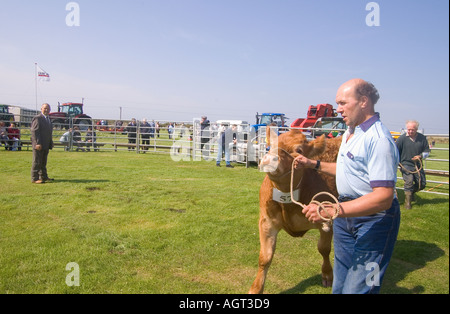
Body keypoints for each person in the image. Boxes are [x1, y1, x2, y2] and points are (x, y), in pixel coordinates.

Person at [293, 79, 400, 294]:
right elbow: (347, 168)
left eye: (343, 103)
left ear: (363, 101)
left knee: (360, 288)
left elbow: (383, 198)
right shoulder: (351, 132)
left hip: (374, 221)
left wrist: (332, 210)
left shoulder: (378, 140)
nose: (338, 109)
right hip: (345, 218)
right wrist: (313, 164)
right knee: (339, 284)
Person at [396, 120, 430, 209]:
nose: (410, 131)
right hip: (405, 164)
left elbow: (427, 151)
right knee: (409, 182)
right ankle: (408, 203)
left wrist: (420, 156)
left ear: (416, 129)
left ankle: (411, 194)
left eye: (412, 130)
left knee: (422, 184)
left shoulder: (422, 138)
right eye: (409, 129)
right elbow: (395, 151)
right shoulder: (402, 139)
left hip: (417, 164)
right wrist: (396, 162)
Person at [31, 103, 54, 184]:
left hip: (46, 144)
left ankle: (43, 176)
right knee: (37, 161)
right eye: (45, 108)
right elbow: (35, 132)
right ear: (41, 109)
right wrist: (37, 143)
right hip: (39, 145)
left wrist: (50, 142)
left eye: (48, 108)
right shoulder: (38, 118)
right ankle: (34, 178)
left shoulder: (48, 119)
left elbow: (48, 133)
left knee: (43, 162)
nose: (46, 110)